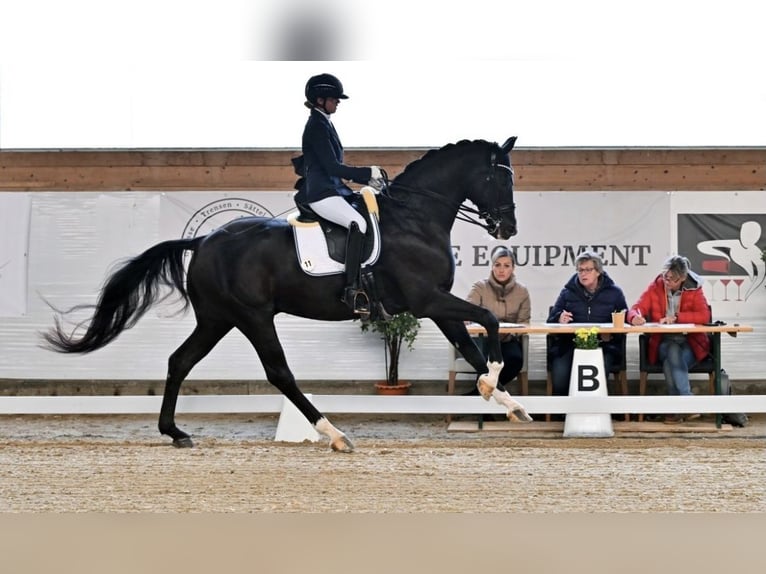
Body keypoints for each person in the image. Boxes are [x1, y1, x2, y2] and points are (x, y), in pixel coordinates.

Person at [293, 73, 385, 315]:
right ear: (320, 99)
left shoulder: (324, 122)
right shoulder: (316, 126)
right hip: (322, 194)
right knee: (358, 223)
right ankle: (352, 289)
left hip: (333, 189)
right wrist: (366, 173)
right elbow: (332, 167)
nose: (338, 102)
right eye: (334, 98)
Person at [626, 255, 711, 424]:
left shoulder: (694, 288)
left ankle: (675, 408)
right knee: (671, 349)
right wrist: (634, 317)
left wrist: (677, 318)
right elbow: (635, 309)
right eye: (665, 276)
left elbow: (704, 315)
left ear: (684, 278)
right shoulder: (656, 285)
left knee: (669, 362)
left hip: (690, 344)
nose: (667, 281)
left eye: (673, 279)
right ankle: (688, 402)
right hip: (662, 343)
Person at [547, 251, 628, 396]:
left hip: (603, 345)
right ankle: (565, 413)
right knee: (560, 380)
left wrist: (612, 335)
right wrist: (559, 317)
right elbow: (551, 319)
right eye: (580, 270)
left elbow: (624, 318)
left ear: (598, 272)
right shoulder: (567, 292)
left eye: (588, 270)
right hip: (569, 344)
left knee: (596, 379)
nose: (583, 274)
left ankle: (595, 411)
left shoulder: (614, 293)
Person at [464, 246, 531, 394]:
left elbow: (524, 322)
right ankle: (484, 411)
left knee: (514, 360)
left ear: (513, 268)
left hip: (507, 341)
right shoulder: (480, 287)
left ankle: (473, 396)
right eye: (497, 265)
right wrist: (467, 319)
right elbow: (467, 311)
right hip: (484, 340)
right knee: (486, 363)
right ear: (492, 266)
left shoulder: (522, 291)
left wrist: (512, 333)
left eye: (506, 266)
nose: (501, 270)